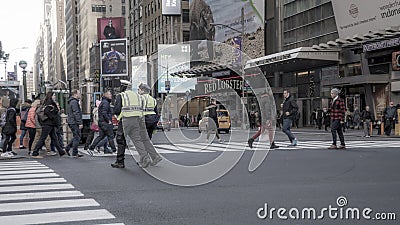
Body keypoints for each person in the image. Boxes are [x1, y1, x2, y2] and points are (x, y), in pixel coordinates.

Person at [115, 81, 162, 168]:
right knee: (145, 140)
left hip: (140, 119)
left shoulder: (140, 97)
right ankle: (154, 157)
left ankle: (142, 159)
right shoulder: (153, 100)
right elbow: (156, 112)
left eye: (139, 89)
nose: (138, 91)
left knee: (128, 139)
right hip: (149, 120)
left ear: (143, 90)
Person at [31, 92, 67, 158]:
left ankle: (61, 151)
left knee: (54, 138)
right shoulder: (49, 104)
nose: (55, 96)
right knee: (42, 138)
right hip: (48, 124)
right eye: (54, 95)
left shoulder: (47, 103)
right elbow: (47, 112)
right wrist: (52, 117)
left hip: (49, 124)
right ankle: (35, 152)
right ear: (51, 96)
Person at [111, 80, 129, 168]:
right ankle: (144, 159)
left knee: (120, 139)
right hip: (137, 121)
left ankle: (120, 161)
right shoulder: (136, 96)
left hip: (125, 120)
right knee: (138, 141)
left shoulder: (121, 96)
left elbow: (117, 110)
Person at [65, 89, 83, 157]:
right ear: (75, 94)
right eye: (79, 93)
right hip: (74, 122)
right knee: (77, 137)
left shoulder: (71, 102)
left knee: (76, 136)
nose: (80, 94)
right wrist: (80, 122)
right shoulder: (74, 102)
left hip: (72, 121)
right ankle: (75, 152)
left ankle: (67, 148)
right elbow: (76, 113)